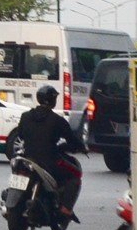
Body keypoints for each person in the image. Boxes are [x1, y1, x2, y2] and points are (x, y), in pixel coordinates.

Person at [17, 86, 87, 217]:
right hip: (50, 162)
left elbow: (20, 135)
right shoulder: (57, 120)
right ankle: (66, 209)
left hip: (28, 159)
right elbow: (72, 139)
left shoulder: (25, 116)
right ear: (53, 100)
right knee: (75, 175)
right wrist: (81, 147)